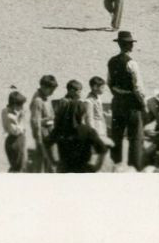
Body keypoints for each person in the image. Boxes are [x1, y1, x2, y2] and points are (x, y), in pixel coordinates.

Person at [107, 30, 146, 172]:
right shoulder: (132, 63)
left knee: (116, 134)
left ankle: (114, 163)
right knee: (135, 136)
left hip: (117, 101)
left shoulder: (111, 61)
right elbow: (138, 88)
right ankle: (134, 166)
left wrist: (117, 94)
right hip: (131, 103)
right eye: (130, 43)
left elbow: (109, 83)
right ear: (129, 45)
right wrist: (143, 104)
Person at [49, 79, 108, 173]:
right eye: (79, 91)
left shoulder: (76, 101)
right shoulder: (64, 102)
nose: (80, 93)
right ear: (71, 90)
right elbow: (59, 118)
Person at [27, 75, 58, 173]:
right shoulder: (38, 101)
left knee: (49, 162)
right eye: (51, 89)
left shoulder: (45, 97)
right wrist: (39, 140)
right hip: (43, 136)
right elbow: (35, 122)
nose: (53, 92)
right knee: (46, 162)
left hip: (49, 133)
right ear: (44, 87)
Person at [83, 76, 111, 170]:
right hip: (96, 128)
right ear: (95, 87)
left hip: (101, 127)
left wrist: (104, 114)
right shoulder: (88, 101)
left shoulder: (97, 98)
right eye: (102, 87)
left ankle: (101, 168)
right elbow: (89, 118)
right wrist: (92, 133)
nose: (104, 89)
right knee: (97, 151)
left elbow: (98, 111)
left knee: (103, 150)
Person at [1, 90, 28, 172]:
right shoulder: (8, 113)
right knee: (17, 168)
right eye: (20, 105)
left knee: (21, 166)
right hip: (14, 141)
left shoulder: (17, 111)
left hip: (20, 140)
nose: (22, 107)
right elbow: (15, 131)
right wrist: (20, 119)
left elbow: (23, 128)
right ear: (14, 105)